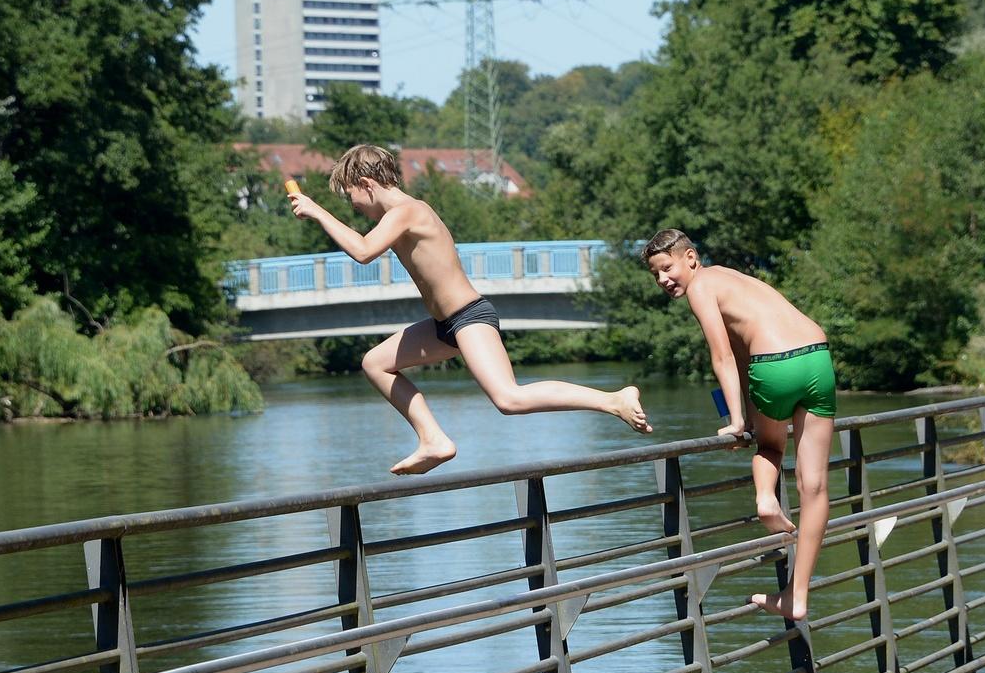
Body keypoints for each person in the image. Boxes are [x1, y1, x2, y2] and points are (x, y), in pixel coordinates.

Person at [288, 145, 652, 475]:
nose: (357, 210)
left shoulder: (408, 211)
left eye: (354, 202)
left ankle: (612, 399)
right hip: (444, 325)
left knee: (509, 398)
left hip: (469, 316)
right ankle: (432, 439)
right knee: (374, 363)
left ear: (367, 184)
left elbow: (364, 252)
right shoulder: (397, 217)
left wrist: (318, 212)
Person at [642, 229, 834, 621]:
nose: (663, 280)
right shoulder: (732, 278)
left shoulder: (701, 288)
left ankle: (766, 500)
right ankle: (797, 596)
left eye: (667, 268)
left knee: (772, 448)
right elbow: (747, 351)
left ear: (690, 258)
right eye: (655, 275)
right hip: (818, 356)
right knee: (814, 486)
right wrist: (745, 409)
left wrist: (735, 421)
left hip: (775, 364)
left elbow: (723, 356)